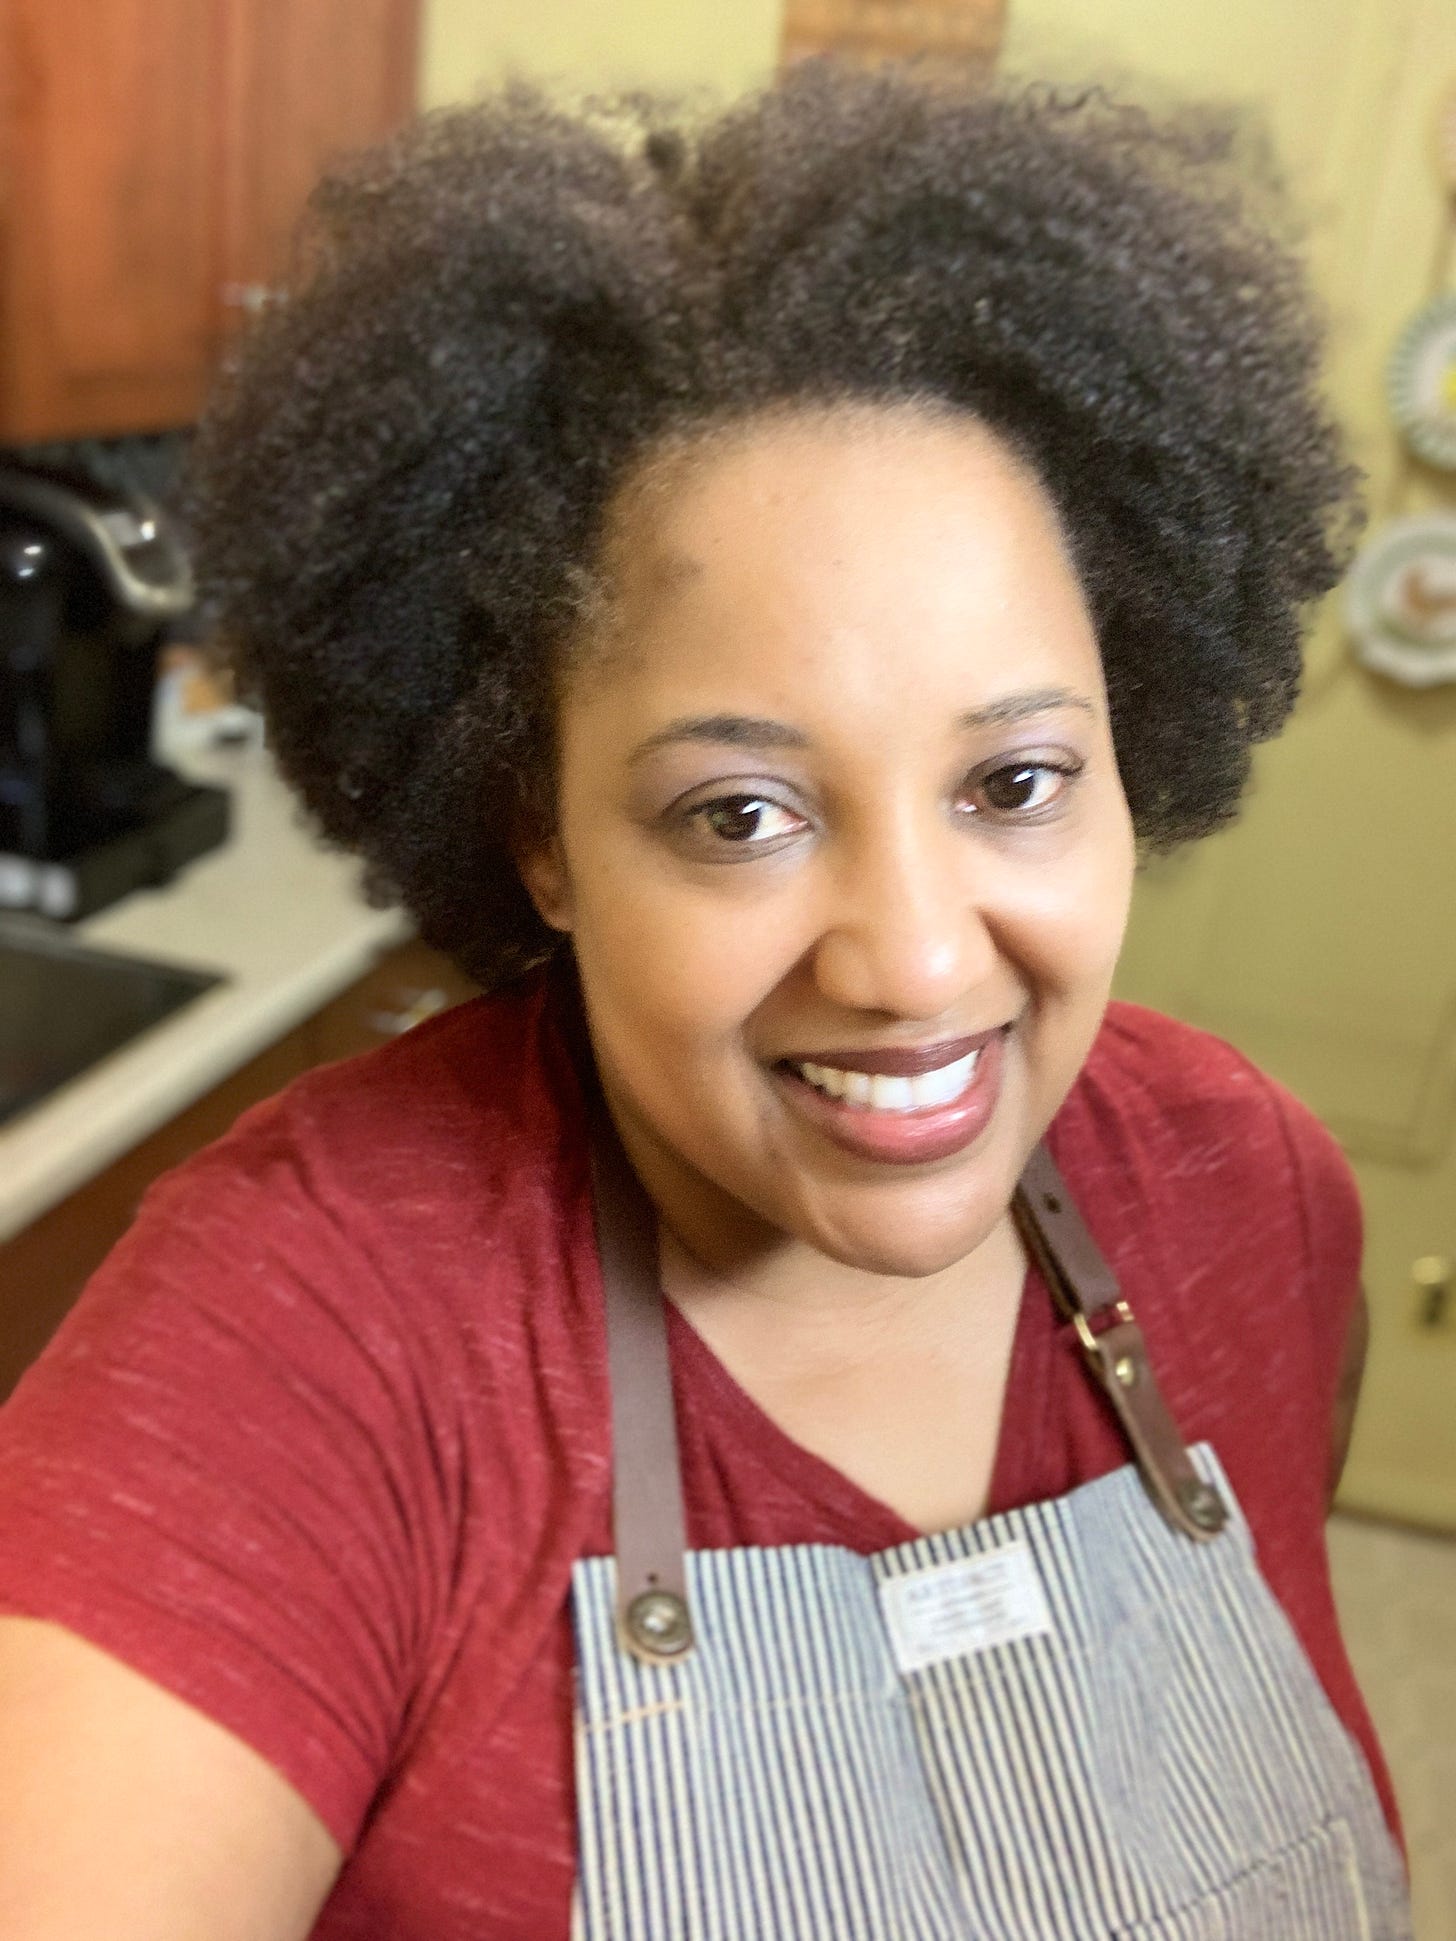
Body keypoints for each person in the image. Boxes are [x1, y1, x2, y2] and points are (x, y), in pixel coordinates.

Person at [0, 59, 1414, 1941]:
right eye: (741, 812)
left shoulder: (1257, 1194)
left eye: (1014, 783)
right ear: (544, 836)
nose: (915, 961)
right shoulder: (307, 1336)